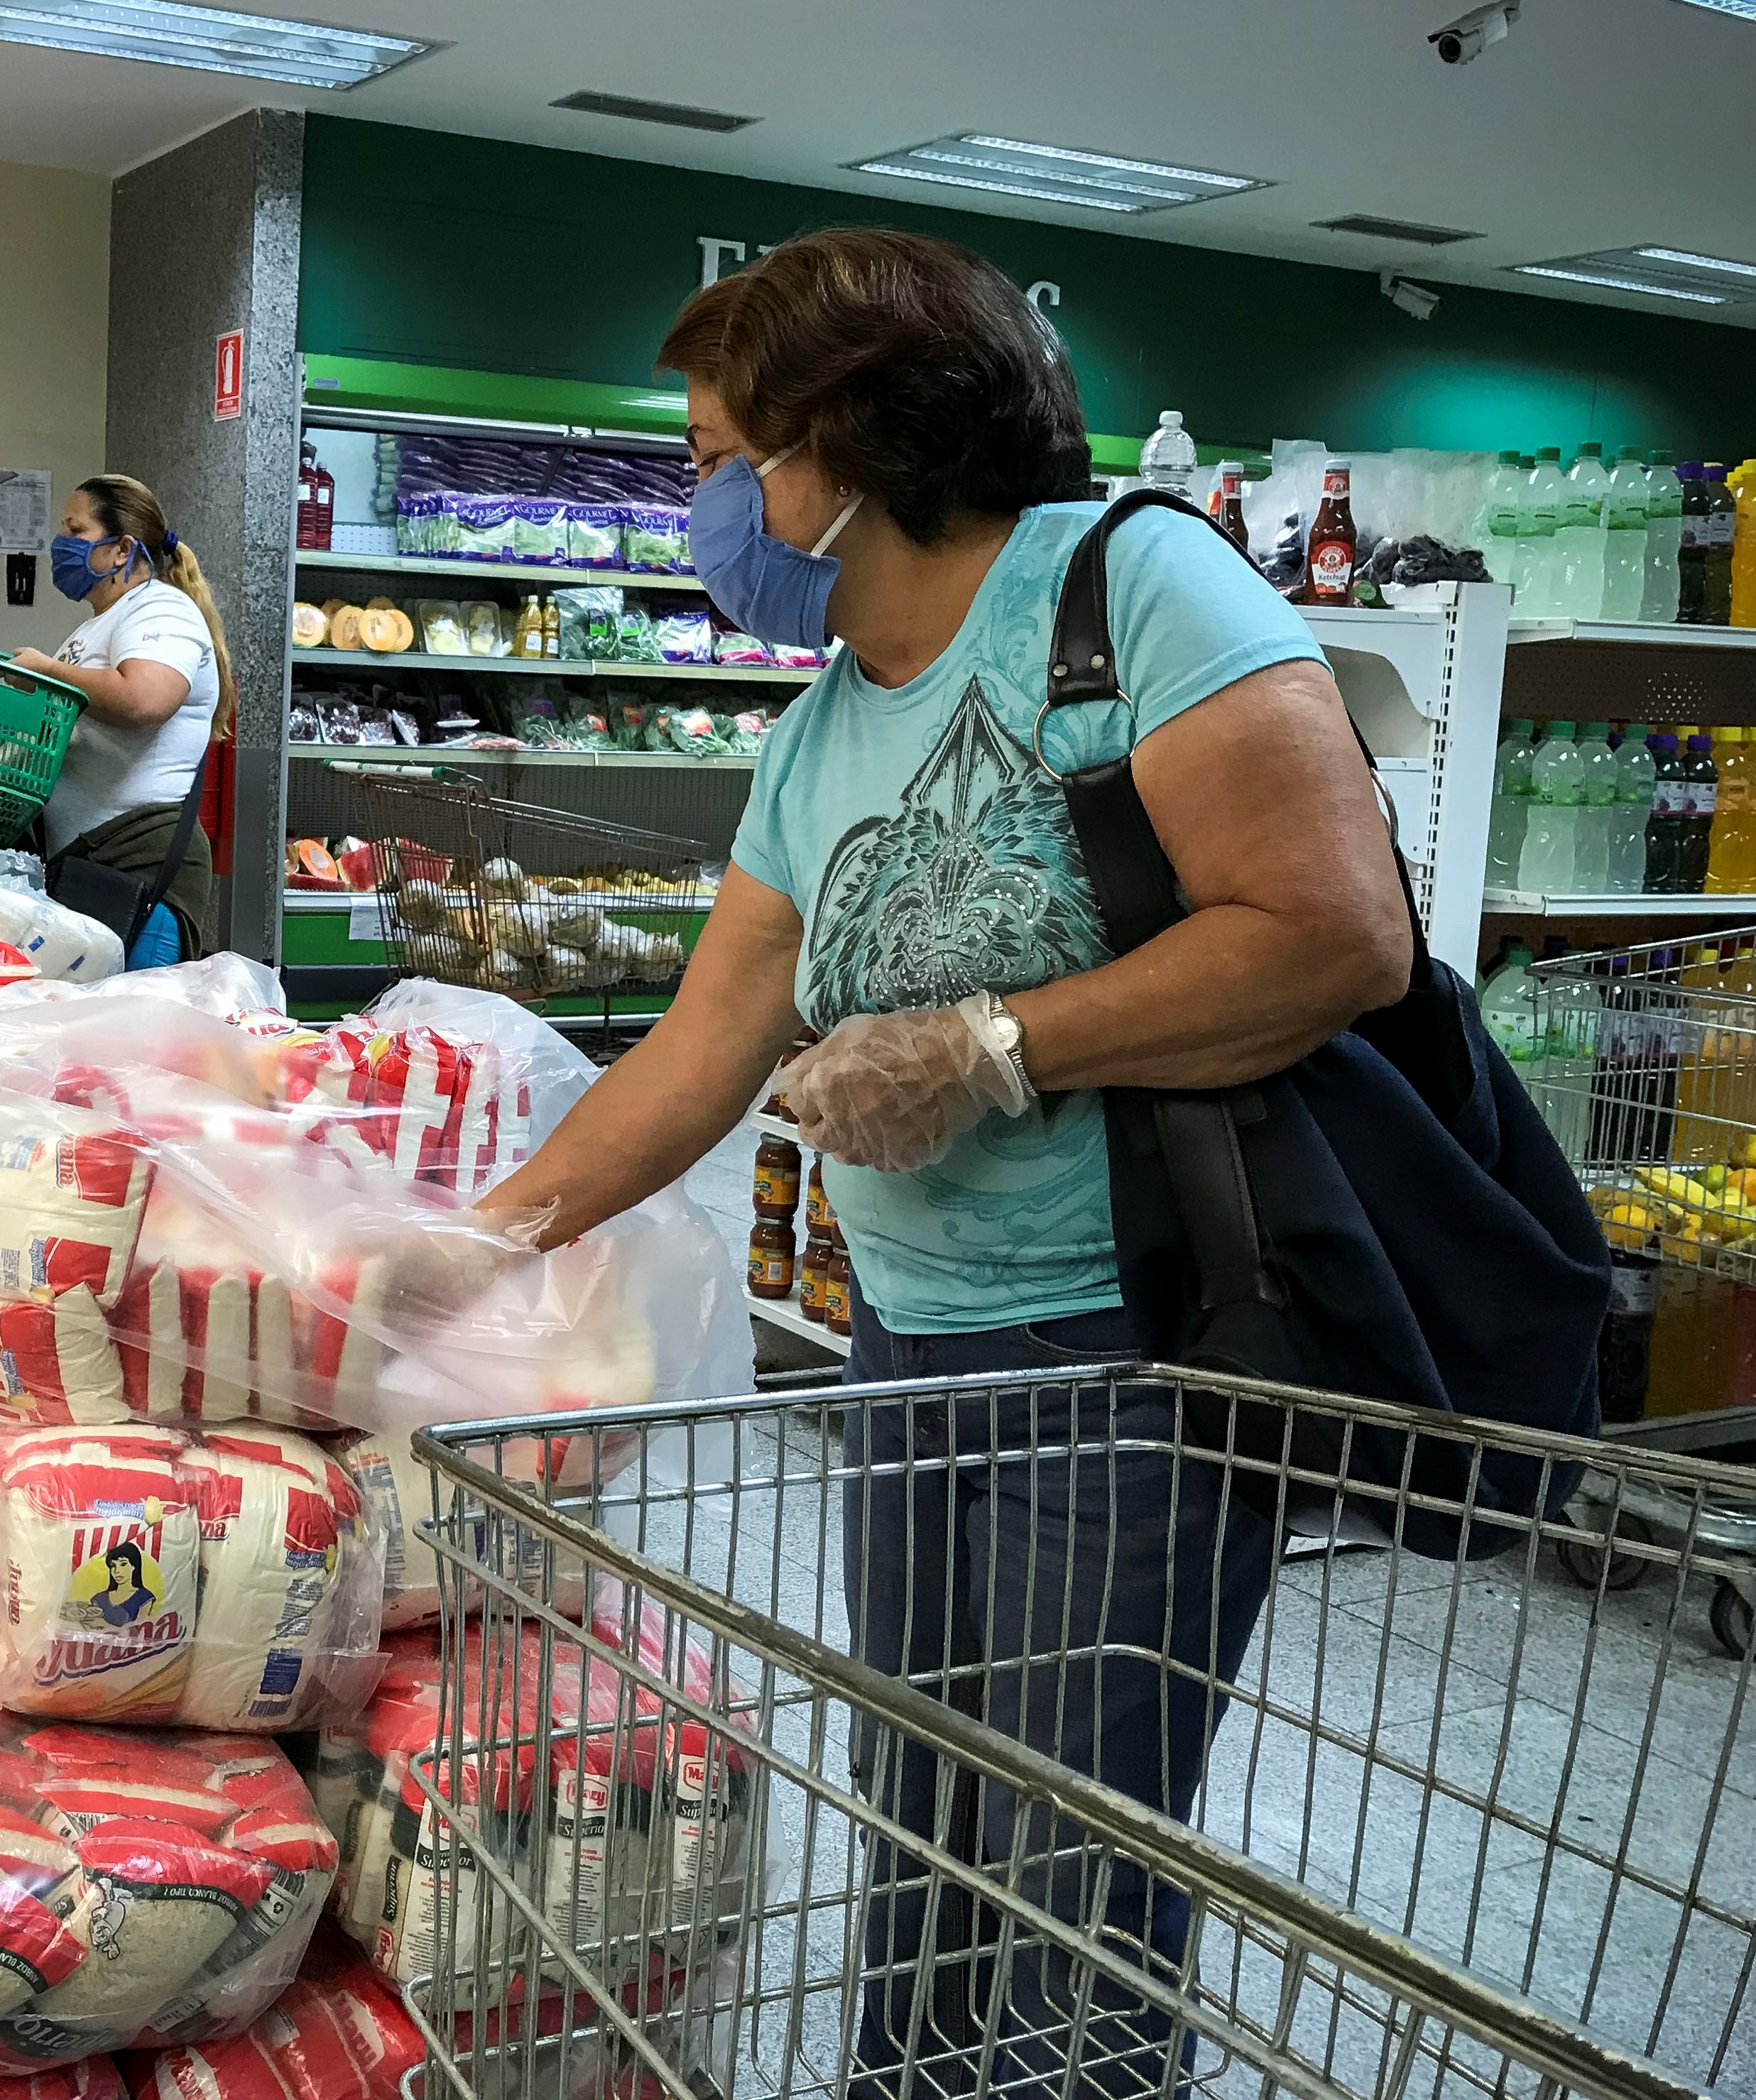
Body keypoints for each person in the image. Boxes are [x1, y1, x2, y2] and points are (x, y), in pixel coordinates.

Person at [477, 230, 1412, 2095]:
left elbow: (1334, 932)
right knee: (922, 1832)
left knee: (1074, 1866)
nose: (703, 510)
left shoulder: (1129, 589)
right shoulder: (823, 725)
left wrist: (997, 1046)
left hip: (1128, 1360)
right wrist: (468, 1246)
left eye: (714, 462)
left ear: (839, 448)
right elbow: (697, 1048)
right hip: (909, 1352)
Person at [13, 476, 230, 966]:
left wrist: (49, 673)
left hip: (139, 869)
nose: (61, 544)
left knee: (132, 1036)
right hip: (90, 867)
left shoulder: (162, 609)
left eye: (76, 529)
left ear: (122, 549)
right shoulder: (100, 625)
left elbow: (144, 700)